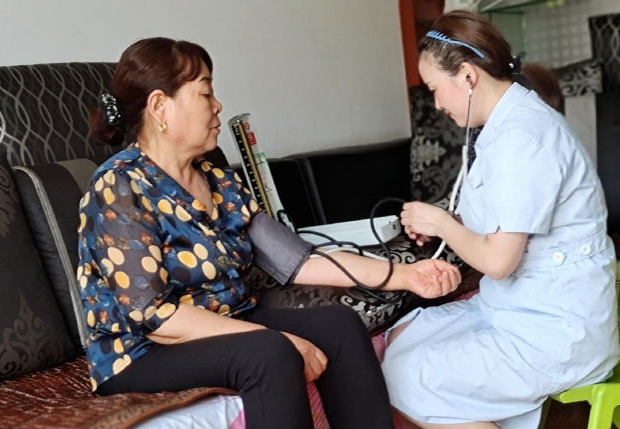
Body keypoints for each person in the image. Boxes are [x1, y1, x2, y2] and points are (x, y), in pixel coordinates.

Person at [77, 37, 462, 429]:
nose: (218, 106)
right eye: (205, 93)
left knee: (339, 325)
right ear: (160, 106)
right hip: (141, 351)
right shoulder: (119, 187)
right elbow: (156, 317)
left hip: (229, 322)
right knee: (269, 353)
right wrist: (271, 337)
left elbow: (298, 261)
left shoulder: (218, 181)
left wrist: (406, 275)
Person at [381, 10, 620, 429]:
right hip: (518, 307)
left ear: (467, 76)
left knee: (404, 377)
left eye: (435, 89)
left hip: (555, 330)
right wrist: (446, 220)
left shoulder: (523, 138)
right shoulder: (504, 126)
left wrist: (443, 224)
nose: (436, 104)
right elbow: (503, 217)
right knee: (402, 336)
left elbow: (497, 261)